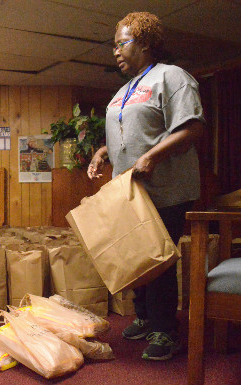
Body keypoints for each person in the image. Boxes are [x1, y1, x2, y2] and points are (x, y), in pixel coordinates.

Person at [88, 12, 204, 361]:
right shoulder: (123, 91)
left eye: (121, 43)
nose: (115, 52)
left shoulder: (173, 78)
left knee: (158, 262)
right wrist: (103, 151)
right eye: (114, 46)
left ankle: (166, 331)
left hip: (165, 189)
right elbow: (130, 133)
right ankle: (145, 317)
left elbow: (193, 128)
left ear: (146, 43)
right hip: (129, 191)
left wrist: (153, 157)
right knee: (136, 258)